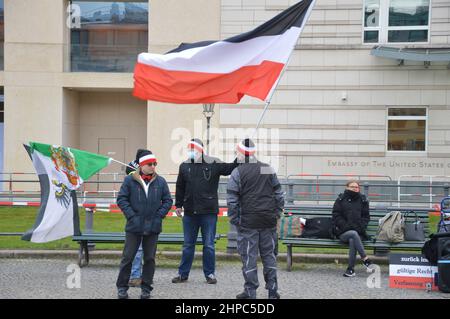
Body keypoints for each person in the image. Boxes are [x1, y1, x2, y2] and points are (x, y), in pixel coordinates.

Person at [172, 138, 238, 284]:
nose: (190, 152)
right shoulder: (184, 166)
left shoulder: (213, 163)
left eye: (192, 149)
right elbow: (180, 187)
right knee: (188, 245)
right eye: (189, 149)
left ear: (200, 150)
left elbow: (230, 168)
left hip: (208, 213)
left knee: (208, 245)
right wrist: (178, 205)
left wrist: (240, 156)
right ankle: (183, 274)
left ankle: (210, 274)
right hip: (190, 213)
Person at [227, 139, 284, 299]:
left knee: (249, 257)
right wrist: (277, 213)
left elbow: (232, 200)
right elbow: (279, 194)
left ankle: (251, 292)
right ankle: (272, 290)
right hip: (268, 221)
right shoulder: (267, 168)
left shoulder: (238, 172)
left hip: (248, 222)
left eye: (236, 152)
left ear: (241, 153)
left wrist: (235, 219)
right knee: (269, 256)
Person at [116, 150, 173, 299]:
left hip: (153, 227)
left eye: (155, 164)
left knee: (149, 259)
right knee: (127, 258)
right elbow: (122, 199)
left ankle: (146, 288)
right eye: (150, 164)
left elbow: (168, 201)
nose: (153, 166)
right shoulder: (130, 180)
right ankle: (122, 288)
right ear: (141, 165)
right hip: (134, 226)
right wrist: (132, 216)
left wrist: (159, 216)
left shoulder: (160, 182)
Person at [332, 180, 375, 277]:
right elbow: (336, 215)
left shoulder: (363, 200)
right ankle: (365, 259)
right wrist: (346, 226)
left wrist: (360, 227)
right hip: (343, 232)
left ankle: (350, 269)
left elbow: (366, 217)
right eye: (352, 187)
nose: (355, 189)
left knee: (353, 238)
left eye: (356, 187)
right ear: (347, 187)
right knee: (352, 234)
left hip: (358, 232)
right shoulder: (340, 199)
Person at [125, 149, 147, 288]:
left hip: (148, 217)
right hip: (135, 217)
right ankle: (135, 276)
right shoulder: (131, 170)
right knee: (138, 249)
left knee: (147, 250)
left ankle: (144, 275)